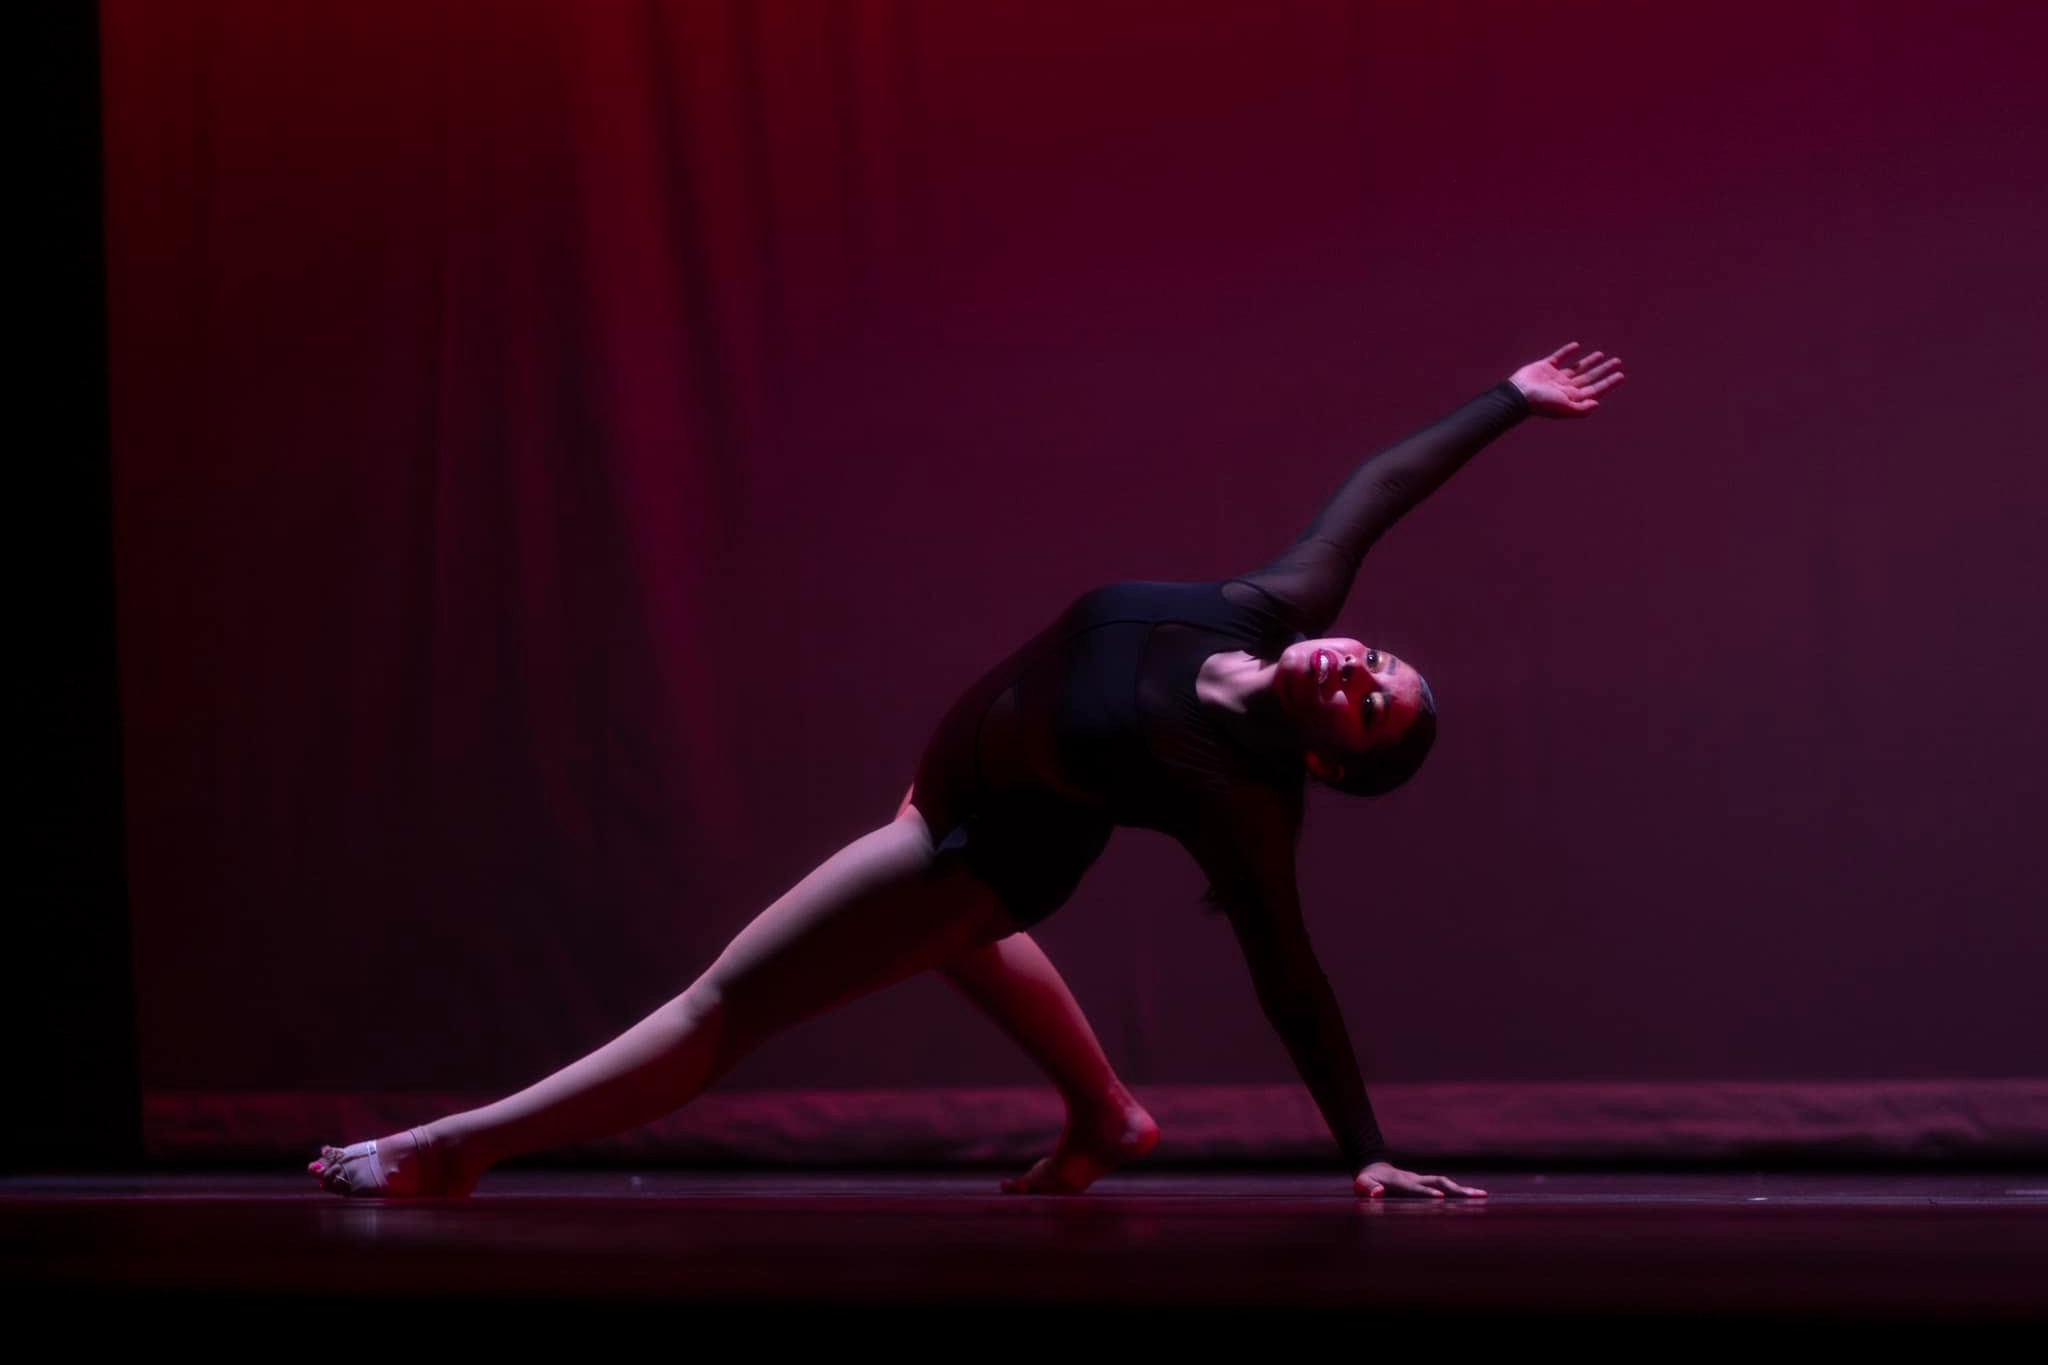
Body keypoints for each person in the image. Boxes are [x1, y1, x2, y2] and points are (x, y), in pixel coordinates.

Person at [312, 342, 1625, 1201]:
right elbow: (1381, 484)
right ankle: (1108, 1118)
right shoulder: (1272, 604)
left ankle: (458, 1150)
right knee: (931, 947)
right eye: (1377, 664)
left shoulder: (1237, 796)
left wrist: (1369, 1153)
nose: (1356, 672)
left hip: (968, 845)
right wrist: (1511, 400)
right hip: (952, 783)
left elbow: (1291, 975)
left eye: (1368, 712)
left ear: (1332, 767)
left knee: (725, 1003)